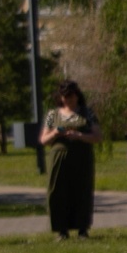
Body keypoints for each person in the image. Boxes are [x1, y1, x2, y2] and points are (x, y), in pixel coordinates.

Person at [40, 82, 97, 239]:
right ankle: (61, 229)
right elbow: (44, 140)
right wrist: (55, 133)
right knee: (58, 191)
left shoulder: (87, 113)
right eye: (64, 97)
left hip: (81, 158)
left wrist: (79, 136)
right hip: (59, 158)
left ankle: (82, 229)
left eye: (70, 96)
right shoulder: (53, 115)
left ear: (77, 96)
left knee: (81, 191)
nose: (67, 100)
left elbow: (98, 136)